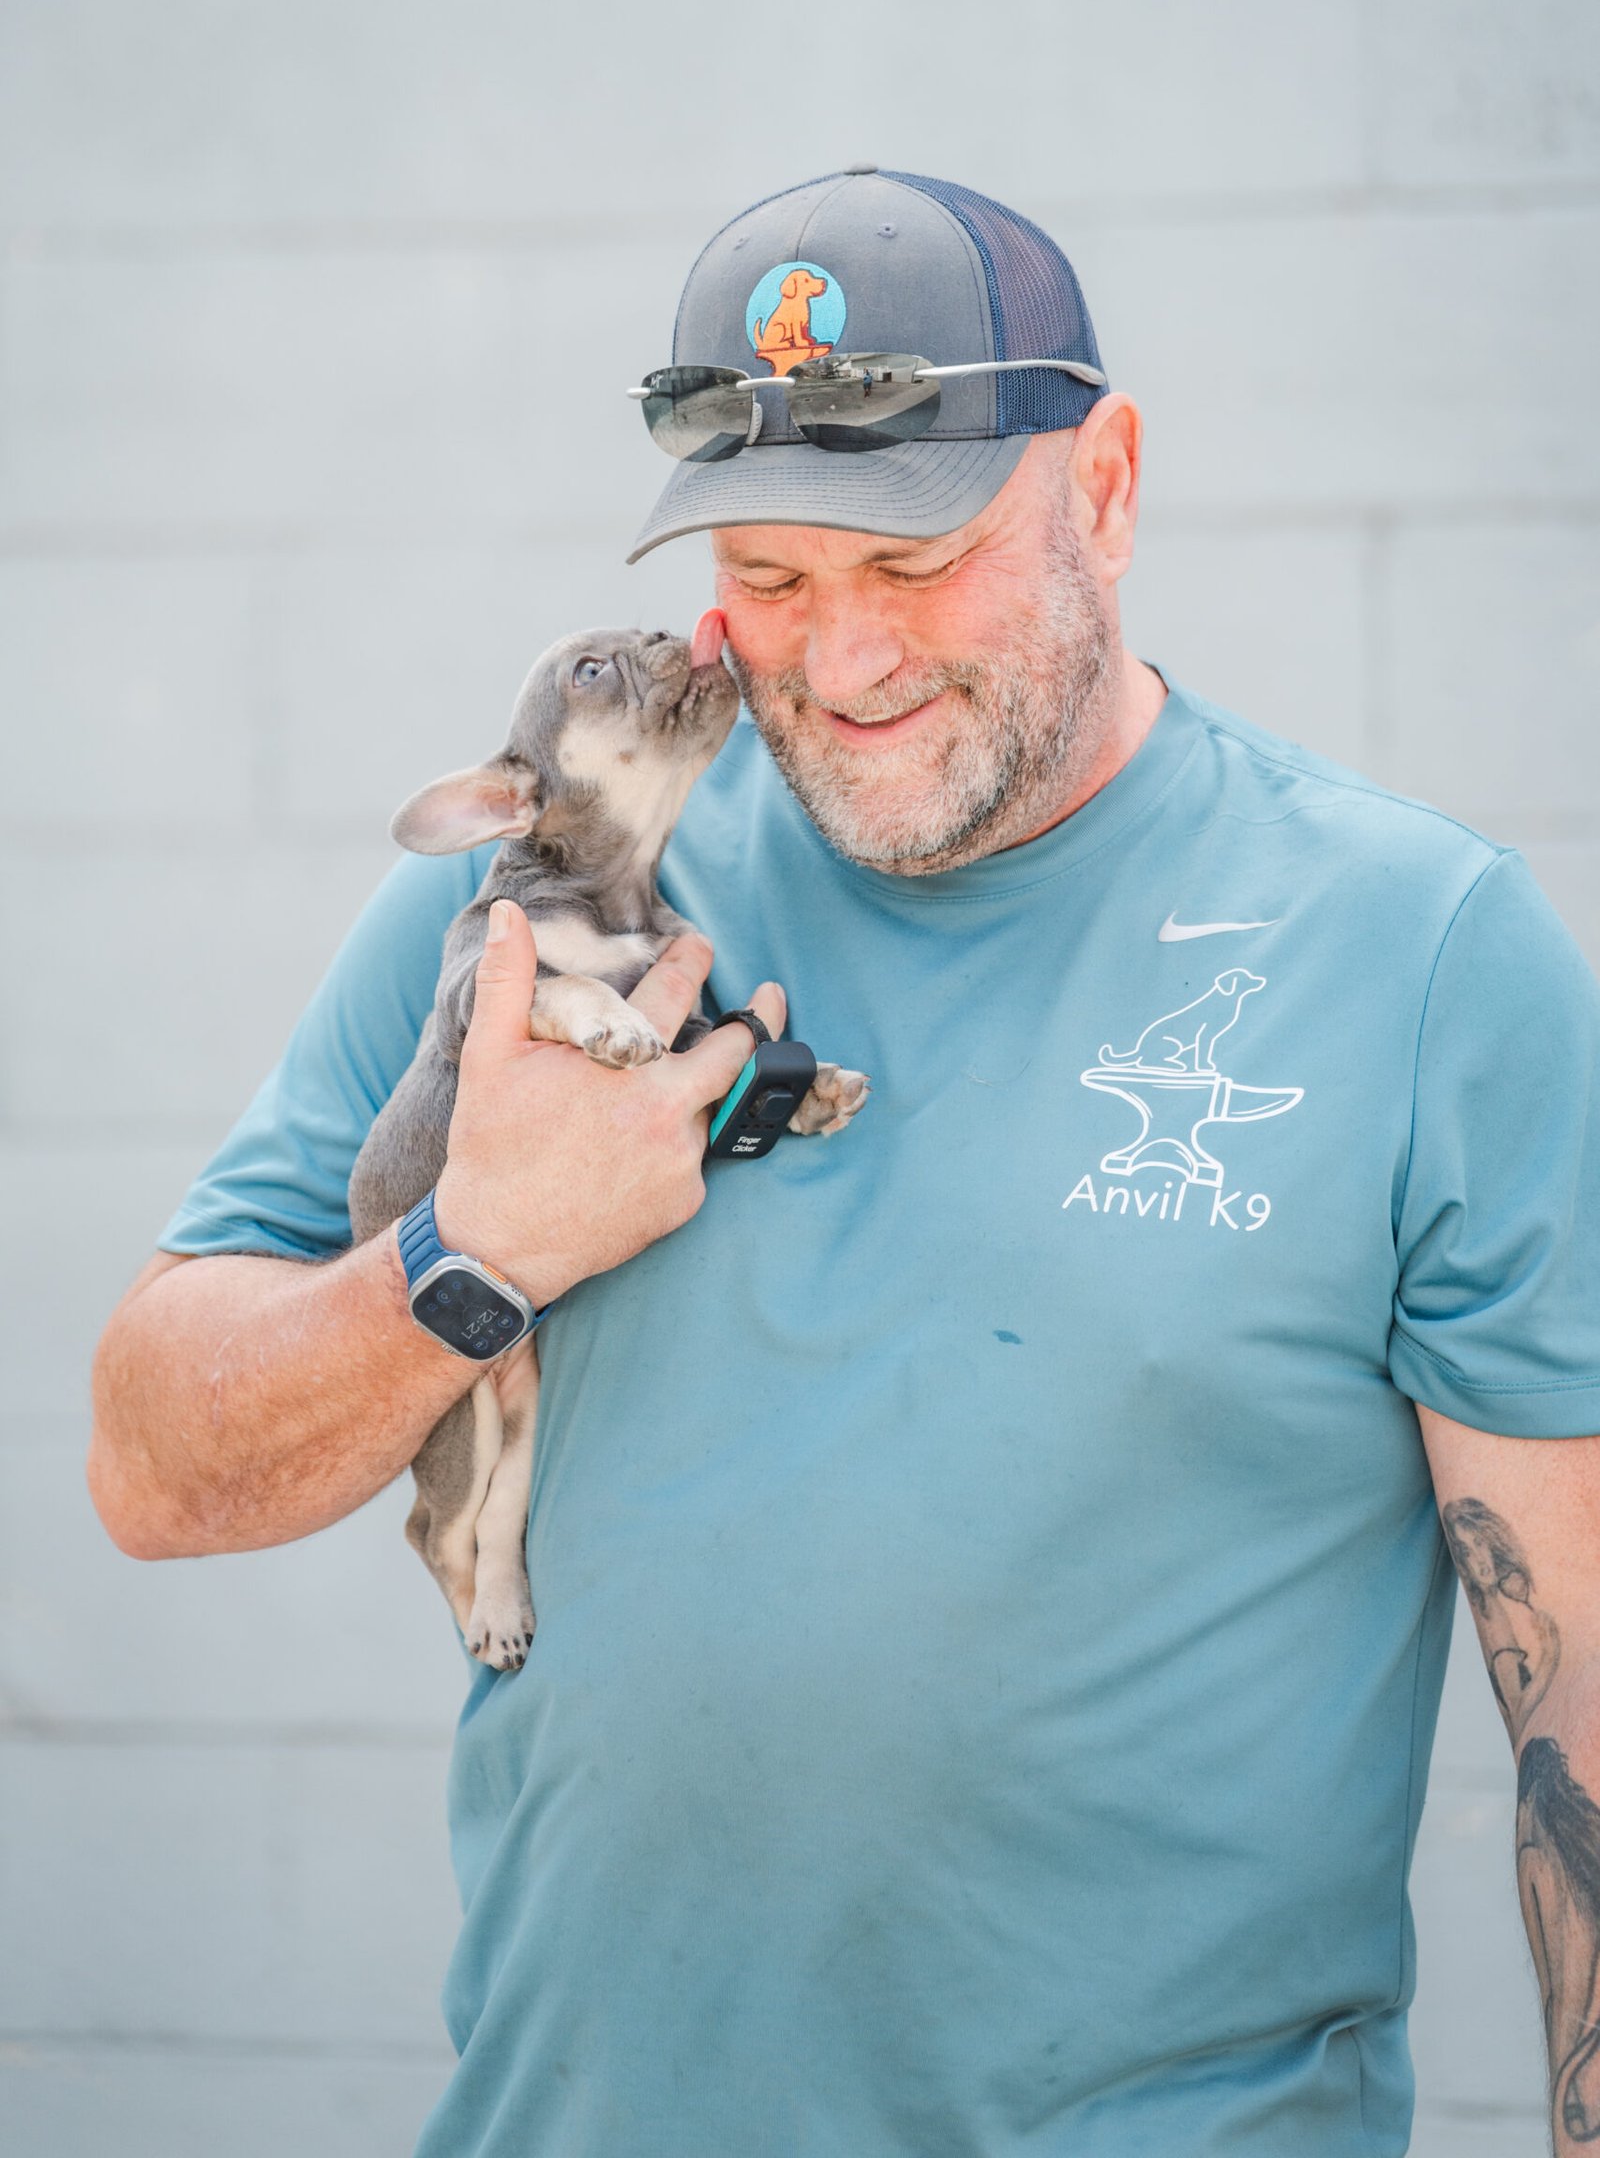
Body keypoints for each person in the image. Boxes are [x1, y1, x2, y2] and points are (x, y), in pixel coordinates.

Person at [89, 169, 1600, 2158]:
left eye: (919, 562)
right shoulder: (544, 898)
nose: (839, 657)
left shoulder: (1418, 953)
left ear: (1109, 485)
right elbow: (151, 1467)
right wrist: (475, 1252)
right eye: (771, 580)